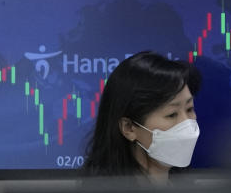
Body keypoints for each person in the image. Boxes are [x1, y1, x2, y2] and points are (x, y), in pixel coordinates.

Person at [81, 51, 202, 181]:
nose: (186, 123)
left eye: (189, 109)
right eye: (172, 115)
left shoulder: (190, 190)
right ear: (129, 128)